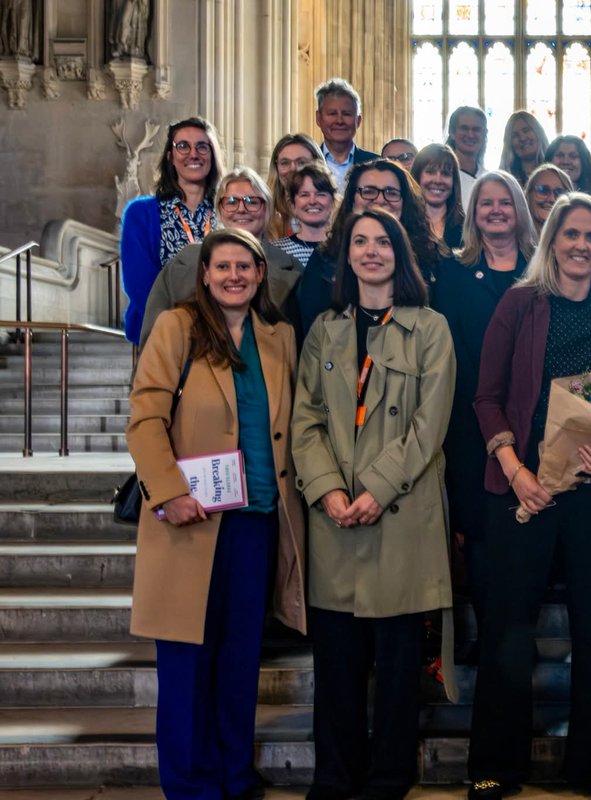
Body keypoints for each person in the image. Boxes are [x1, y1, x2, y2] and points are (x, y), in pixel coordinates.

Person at [468, 193, 591, 800]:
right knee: (509, 628)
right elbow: (485, 398)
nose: (581, 246)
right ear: (551, 240)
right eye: (570, 234)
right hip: (524, 488)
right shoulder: (521, 303)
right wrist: (516, 471)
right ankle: (496, 765)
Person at [126, 227, 306, 800]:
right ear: (204, 274)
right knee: (186, 662)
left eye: (244, 267)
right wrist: (168, 490)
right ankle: (189, 782)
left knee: (238, 660)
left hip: (256, 519)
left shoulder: (279, 337)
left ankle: (233, 772)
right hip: (191, 519)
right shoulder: (176, 328)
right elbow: (146, 416)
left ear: (259, 275)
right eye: (223, 266)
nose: (234, 276)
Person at [292, 209, 456, 800]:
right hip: (333, 515)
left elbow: (429, 423)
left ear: (399, 253)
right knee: (335, 667)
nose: (370, 251)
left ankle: (388, 778)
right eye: (359, 241)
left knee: (395, 670)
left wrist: (376, 489)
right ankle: (334, 776)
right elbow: (304, 419)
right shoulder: (324, 329)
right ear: (347, 255)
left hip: (400, 514)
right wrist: (329, 489)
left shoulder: (431, 327)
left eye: (381, 242)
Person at [431, 170, 537, 642]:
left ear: (519, 211)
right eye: (485, 203)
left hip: (534, 426)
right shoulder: (452, 275)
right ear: (473, 214)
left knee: (528, 534)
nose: (495, 210)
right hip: (469, 426)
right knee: (479, 535)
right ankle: (493, 643)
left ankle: (519, 640)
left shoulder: (541, 271)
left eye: (505, 202)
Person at [140, 167, 304, 346]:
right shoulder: (184, 263)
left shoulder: (293, 270)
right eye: (231, 201)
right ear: (219, 208)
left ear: (267, 209)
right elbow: (153, 340)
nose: (241, 209)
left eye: (252, 201)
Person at [295, 159, 440, 339]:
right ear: (352, 200)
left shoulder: (429, 258)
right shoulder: (325, 258)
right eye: (369, 191)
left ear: (405, 202)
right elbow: (312, 335)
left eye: (391, 192)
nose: (380, 200)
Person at [120, 116, 223, 343]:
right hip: (162, 334)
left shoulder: (227, 211)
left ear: (212, 156)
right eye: (183, 146)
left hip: (223, 333)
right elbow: (139, 284)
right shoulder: (141, 214)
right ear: (170, 157)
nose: (193, 154)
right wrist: (181, 325)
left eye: (202, 146)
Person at [314, 78, 379, 191]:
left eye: (347, 114)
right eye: (332, 113)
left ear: (358, 121)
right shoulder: (308, 162)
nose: (339, 121)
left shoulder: (376, 163)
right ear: (318, 118)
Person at [269, 162, 338, 268]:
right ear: (292, 204)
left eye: (320, 194)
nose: (312, 201)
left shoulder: (346, 249)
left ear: (333, 202)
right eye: (304, 195)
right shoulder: (276, 251)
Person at [266, 132, 322, 239]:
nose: (293, 169)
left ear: (318, 164)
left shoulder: (337, 210)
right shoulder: (266, 212)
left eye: (301, 162)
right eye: (285, 163)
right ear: (276, 167)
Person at [411, 143, 466, 248]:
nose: (438, 180)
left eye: (445, 173)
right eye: (430, 172)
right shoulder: (403, 224)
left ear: (454, 181)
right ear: (417, 176)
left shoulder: (468, 229)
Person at [547, 134, 591, 216]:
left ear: (583, 163)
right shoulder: (543, 200)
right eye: (560, 155)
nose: (566, 161)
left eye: (573, 156)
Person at [499, 110, 550, 188]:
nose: (522, 138)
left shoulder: (555, 172)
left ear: (538, 133)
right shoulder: (503, 180)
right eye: (515, 135)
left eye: (526, 131)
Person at [447, 105, 488, 202]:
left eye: (476, 129)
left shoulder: (489, 177)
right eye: (464, 128)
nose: (470, 135)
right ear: (452, 132)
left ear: (484, 134)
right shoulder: (444, 177)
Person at [524, 163, 574, 235]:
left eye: (559, 193)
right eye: (543, 190)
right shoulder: (511, 241)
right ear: (528, 195)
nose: (552, 199)